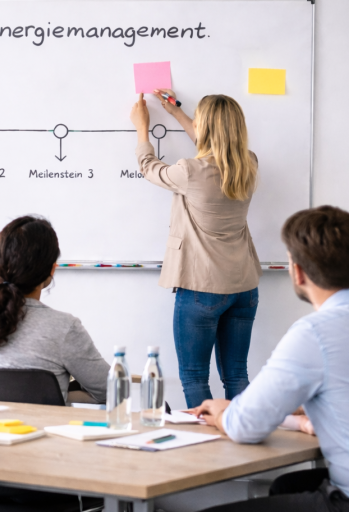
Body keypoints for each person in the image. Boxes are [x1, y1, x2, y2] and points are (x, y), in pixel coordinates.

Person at [191, 206, 349, 512]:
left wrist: (223, 411)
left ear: (297, 271)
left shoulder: (315, 333)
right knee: (286, 487)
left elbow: (245, 426)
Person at [130, 90, 261, 408]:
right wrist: (177, 113)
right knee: (237, 374)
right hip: (244, 288)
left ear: (204, 127)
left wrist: (142, 128)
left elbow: (149, 167)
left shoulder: (189, 171)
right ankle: (241, 432)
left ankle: (209, 439)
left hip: (201, 288)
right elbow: (213, 148)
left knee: (194, 377)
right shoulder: (249, 163)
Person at [0, 215, 110, 405]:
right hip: (39, 425)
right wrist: (58, 392)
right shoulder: (64, 328)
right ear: (51, 270)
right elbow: (112, 389)